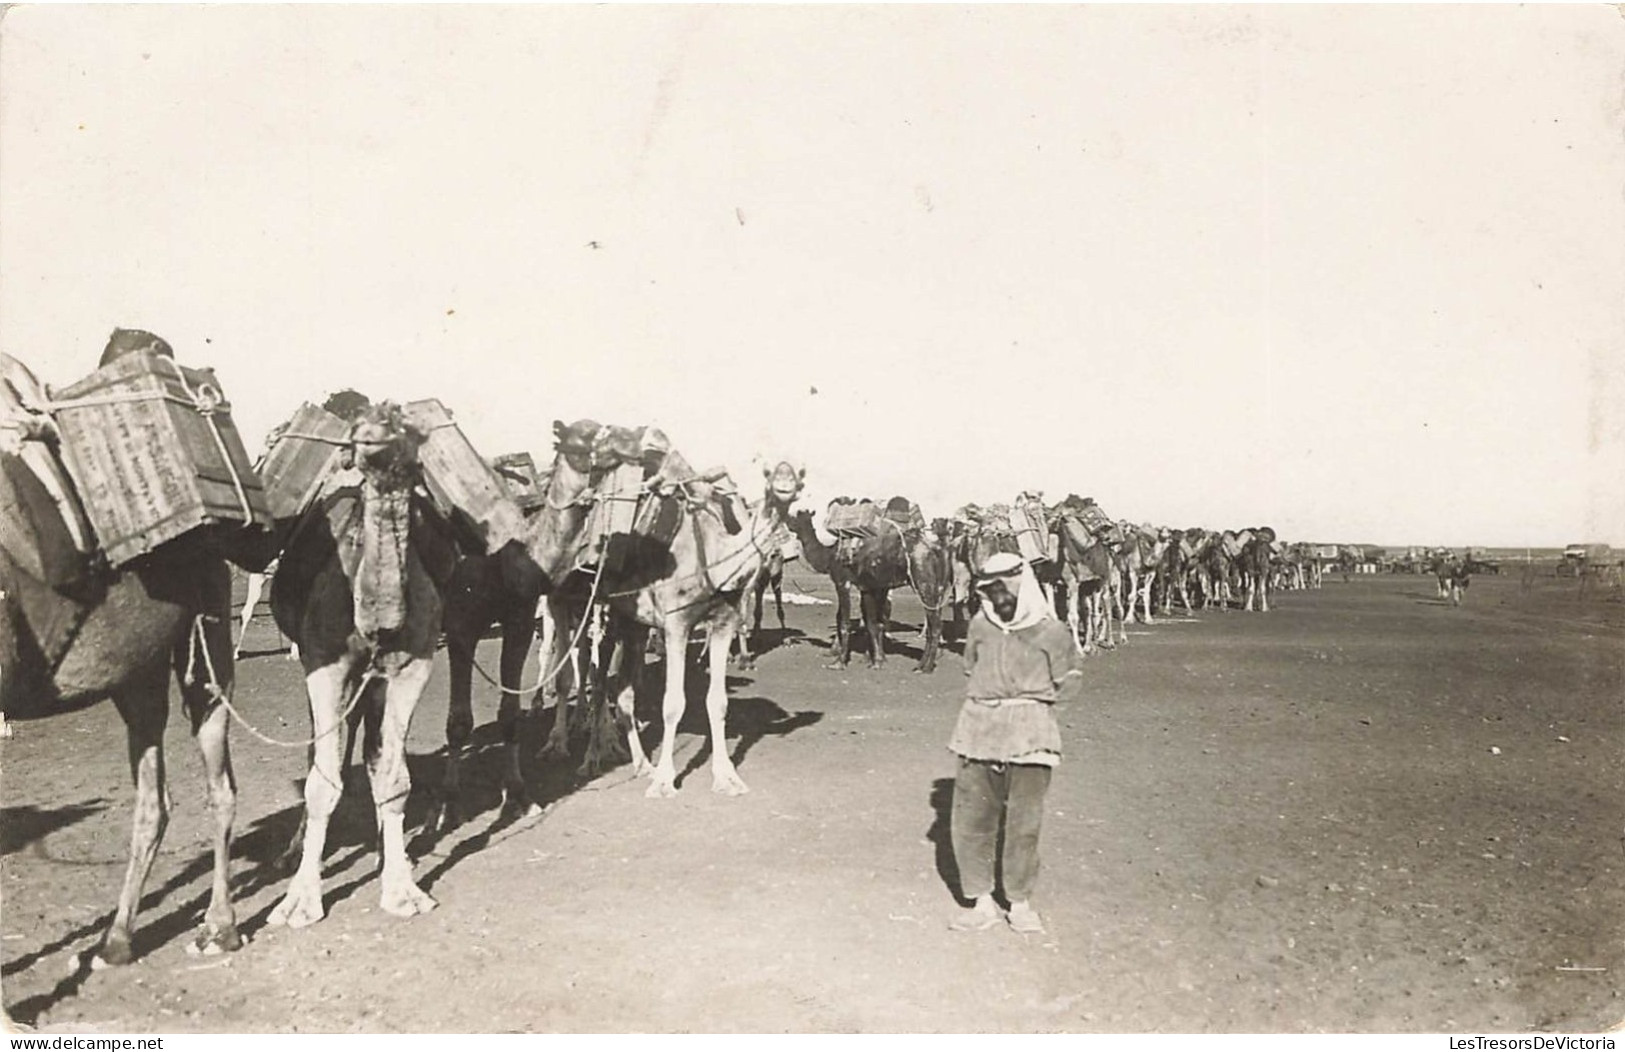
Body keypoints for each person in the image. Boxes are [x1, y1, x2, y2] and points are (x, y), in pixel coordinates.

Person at [947, 550, 1083, 934]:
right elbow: (970, 665)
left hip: (1031, 735)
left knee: (1024, 822)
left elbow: (1070, 680)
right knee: (972, 818)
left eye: (1005, 586)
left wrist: (1034, 713)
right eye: (990, 588)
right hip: (977, 730)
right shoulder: (980, 625)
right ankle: (981, 902)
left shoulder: (1052, 631)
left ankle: (1019, 904)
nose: (997, 596)